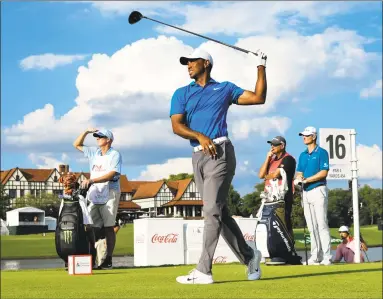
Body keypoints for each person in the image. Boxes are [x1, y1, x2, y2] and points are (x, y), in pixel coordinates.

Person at [170, 48, 267, 284]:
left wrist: (260, 66)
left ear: (206, 63)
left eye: (192, 61)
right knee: (219, 212)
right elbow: (177, 126)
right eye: (186, 62)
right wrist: (200, 136)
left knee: (211, 210)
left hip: (220, 153)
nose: (188, 65)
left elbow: (258, 97)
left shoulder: (224, 88)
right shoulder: (181, 93)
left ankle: (204, 270)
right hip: (198, 156)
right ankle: (250, 255)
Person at [73, 128, 122, 269]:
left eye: (100, 136)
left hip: (110, 191)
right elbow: (76, 144)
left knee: (108, 228)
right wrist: (86, 132)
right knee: (89, 226)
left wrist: (92, 180)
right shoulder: (94, 152)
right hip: (94, 192)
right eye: (96, 137)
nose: (97, 138)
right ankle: (93, 258)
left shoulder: (115, 154)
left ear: (108, 140)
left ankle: (108, 260)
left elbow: (112, 174)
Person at [295, 126, 332, 265]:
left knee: (321, 224)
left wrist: (307, 180)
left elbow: (323, 172)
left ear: (314, 136)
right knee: (311, 226)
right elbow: (300, 172)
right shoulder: (302, 155)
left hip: (318, 190)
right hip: (305, 192)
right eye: (303, 135)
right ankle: (315, 256)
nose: (304, 137)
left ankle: (327, 257)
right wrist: (298, 180)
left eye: (306, 135)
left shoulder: (322, 152)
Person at [258, 135, 296, 263]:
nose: (272, 147)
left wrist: (266, 177)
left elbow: (275, 174)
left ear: (282, 146)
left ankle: (290, 252)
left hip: (283, 198)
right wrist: (267, 158)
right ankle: (275, 252)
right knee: (271, 226)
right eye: (271, 145)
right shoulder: (271, 159)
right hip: (270, 198)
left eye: (274, 144)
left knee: (285, 224)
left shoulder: (288, 159)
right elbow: (260, 174)